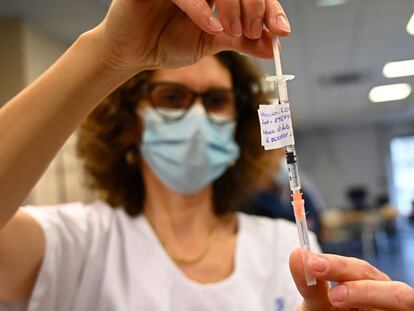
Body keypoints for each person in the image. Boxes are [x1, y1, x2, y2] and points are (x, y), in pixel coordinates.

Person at [0, 0, 413, 310]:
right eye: (172, 96)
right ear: (130, 121)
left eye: (215, 100)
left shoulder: (285, 246)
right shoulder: (77, 241)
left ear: (240, 124)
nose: (195, 115)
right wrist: (108, 53)